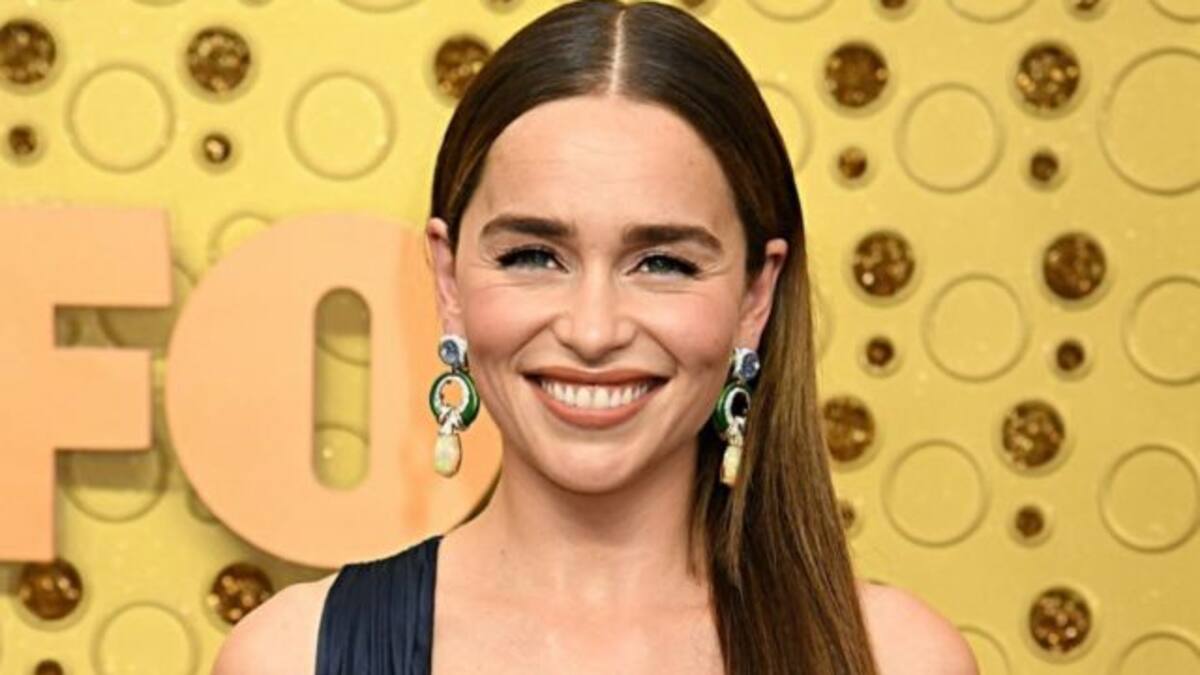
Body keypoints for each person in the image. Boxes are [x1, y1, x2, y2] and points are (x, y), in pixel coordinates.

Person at [214, 1, 979, 673]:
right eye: (533, 256)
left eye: (663, 263)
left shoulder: (897, 658)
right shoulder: (291, 657)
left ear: (756, 295)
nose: (592, 329)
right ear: (448, 281)